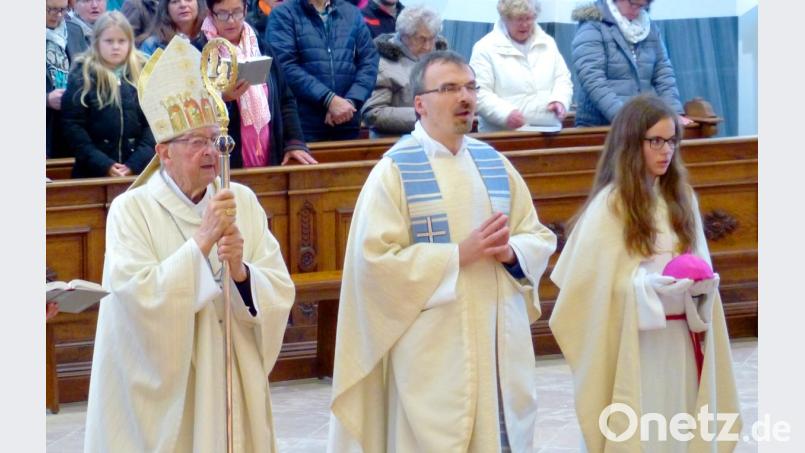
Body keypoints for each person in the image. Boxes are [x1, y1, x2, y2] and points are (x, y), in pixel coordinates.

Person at [328, 50, 557, 452]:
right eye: (449, 88)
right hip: (433, 358)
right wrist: (457, 255)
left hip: (497, 344)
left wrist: (511, 253)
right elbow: (373, 265)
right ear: (420, 104)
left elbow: (536, 235)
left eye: (470, 87)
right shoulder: (395, 171)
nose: (464, 98)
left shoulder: (494, 164)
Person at [83, 35, 295, 451]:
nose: (210, 152)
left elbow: (278, 288)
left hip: (229, 372)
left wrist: (241, 273)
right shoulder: (133, 211)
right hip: (168, 390)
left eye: (215, 141)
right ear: (164, 152)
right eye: (196, 142)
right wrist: (202, 240)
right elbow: (134, 300)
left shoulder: (242, 202)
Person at [549, 94, 741, 451]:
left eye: (671, 141)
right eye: (655, 141)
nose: (665, 150)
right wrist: (645, 288)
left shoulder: (681, 198)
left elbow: (700, 263)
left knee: (678, 425)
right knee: (643, 430)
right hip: (637, 343)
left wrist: (700, 287)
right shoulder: (611, 205)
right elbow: (586, 293)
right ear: (630, 143)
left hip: (681, 339)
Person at [201, 0, 316, 166]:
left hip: (268, 149)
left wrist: (294, 142)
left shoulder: (261, 47)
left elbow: (285, 98)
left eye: (237, 12)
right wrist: (223, 98)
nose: (231, 20)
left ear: (246, 10)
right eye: (223, 14)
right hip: (226, 158)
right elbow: (193, 110)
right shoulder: (202, 51)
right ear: (211, 15)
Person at [265, 0, 379, 142]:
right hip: (303, 124)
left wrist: (351, 101)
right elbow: (284, 66)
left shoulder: (351, 13)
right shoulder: (283, 14)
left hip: (347, 119)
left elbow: (369, 61)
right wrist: (329, 99)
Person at [61, 12, 155, 178]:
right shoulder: (81, 75)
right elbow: (73, 126)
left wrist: (135, 163)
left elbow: (154, 124)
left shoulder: (143, 72)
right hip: (91, 171)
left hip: (137, 172)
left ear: (130, 43)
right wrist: (103, 164)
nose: (116, 47)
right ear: (97, 42)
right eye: (109, 41)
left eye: (121, 41)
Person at [571, 0, 692, 127]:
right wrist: (625, 118)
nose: (636, 10)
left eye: (642, 6)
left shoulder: (648, 28)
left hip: (640, 123)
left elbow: (663, 73)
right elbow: (592, 79)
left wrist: (672, 113)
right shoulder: (592, 26)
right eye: (632, 4)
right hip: (600, 125)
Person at [470, 0, 572, 132]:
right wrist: (506, 114)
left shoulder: (548, 43)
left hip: (549, 132)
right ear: (505, 18)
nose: (524, 24)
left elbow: (563, 79)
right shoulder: (485, 48)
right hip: (504, 135)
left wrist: (560, 100)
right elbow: (479, 93)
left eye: (529, 18)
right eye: (518, 19)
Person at [361, 5, 446, 137]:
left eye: (432, 38)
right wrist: (424, 115)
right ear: (404, 35)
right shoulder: (382, 62)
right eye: (421, 39)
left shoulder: (443, 59)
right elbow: (373, 114)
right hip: (394, 143)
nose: (428, 46)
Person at [47, 0, 89, 158]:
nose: (57, 16)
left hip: (71, 122)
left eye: (62, 10)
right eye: (50, 9)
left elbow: (86, 71)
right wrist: (46, 99)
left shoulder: (74, 31)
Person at [140, 0, 207, 55]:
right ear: (166, 9)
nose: (183, 5)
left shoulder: (210, 37)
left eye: (188, 0)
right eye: (175, 1)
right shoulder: (152, 45)